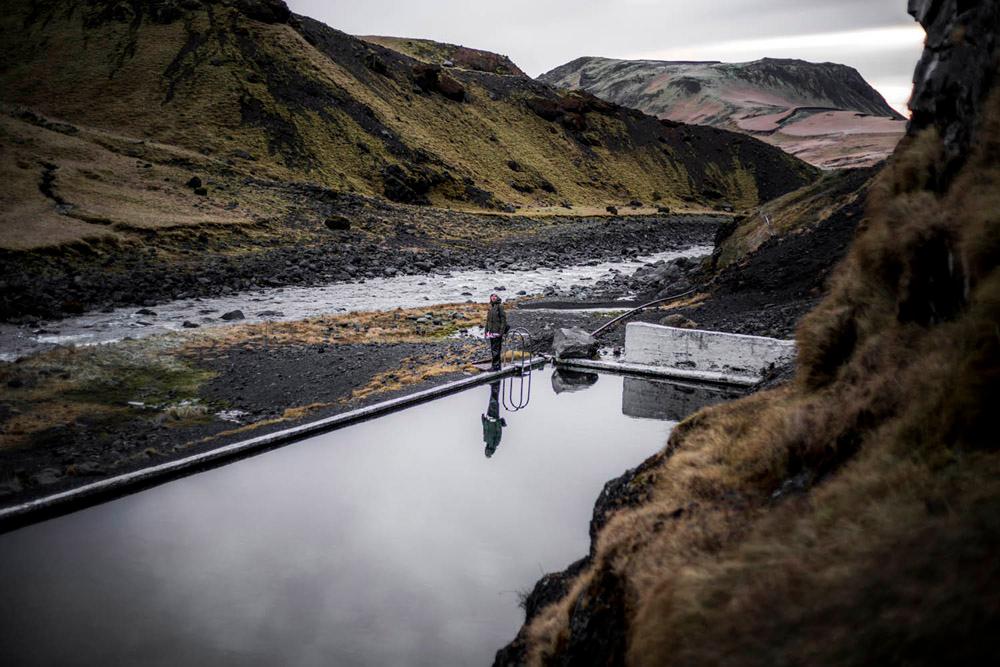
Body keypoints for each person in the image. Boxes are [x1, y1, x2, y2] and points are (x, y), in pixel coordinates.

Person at [484, 293, 509, 371]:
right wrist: (486, 331)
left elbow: (503, 320)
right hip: (491, 332)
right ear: (490, 298)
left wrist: (501, 332)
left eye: (495, 296)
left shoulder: (500, 306)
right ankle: (496, 365)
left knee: (496, 349)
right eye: (492, 296)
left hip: (497, 332)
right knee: (493, 349)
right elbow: (488, 321)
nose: (493, 297)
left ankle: (495, 366)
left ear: (497, 298)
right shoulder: (491, 307)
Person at [482, 381, 506, 458]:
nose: (486, 451)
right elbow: (499, 431)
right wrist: (497, 422)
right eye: (487, 453)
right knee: (494, 401)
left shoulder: (486, 440)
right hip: (494, 418)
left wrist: (483, 420)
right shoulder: (495, 443)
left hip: (488, 417)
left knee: (492, 400)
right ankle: (496, 384)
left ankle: (494, 385)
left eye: (486, 452)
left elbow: (485, 429)